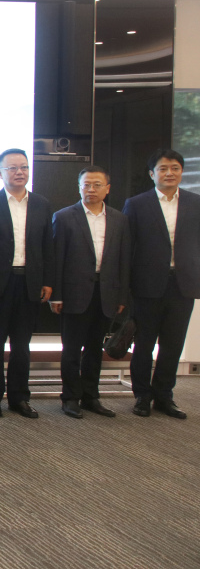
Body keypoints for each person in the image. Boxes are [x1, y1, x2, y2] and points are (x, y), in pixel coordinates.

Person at [0, 148, 54, 419]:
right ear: (0, 173)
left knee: (22, 344)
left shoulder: (42, 204)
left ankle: (20, 398)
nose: (19, 172)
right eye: (12, 168)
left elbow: (47, 246)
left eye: (24, 167)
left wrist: (47, 281)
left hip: (30, 282)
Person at [123, 148, 199, 420]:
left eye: (175, 168)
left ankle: (164, 396)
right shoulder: (136, 204)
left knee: (173, 344)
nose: (169, 173)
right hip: (146, 285)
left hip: (182, 285)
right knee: (144, 344)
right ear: (152, 174)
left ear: (181, 172)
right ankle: (142, 395)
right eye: (163, 169)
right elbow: (127, 247)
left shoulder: (195, 202)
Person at [51, 166, 130, 419]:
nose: (91, 189)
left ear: (107, 189)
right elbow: (57, 259)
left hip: (106, 293)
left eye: (97, 185)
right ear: (79, 188)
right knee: (72, 349)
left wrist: (121, 296)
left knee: (95, 348)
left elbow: (123, 260)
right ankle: (70, 397)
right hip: (73, 293)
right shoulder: (64, 217)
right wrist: (56, 294)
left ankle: (91, 396)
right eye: (86, 184)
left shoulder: (119, 219)